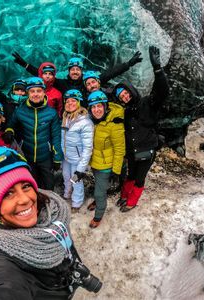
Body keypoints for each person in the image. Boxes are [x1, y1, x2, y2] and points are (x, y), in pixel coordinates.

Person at [0, 146, 102, 299]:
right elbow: (0, 288)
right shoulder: (0, 261)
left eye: (26, 186)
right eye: (8, 194)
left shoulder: (51, 211)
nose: (24, 199)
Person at [113, 46, 169, 212]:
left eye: (125, 93)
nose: (124, 96)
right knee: (130, 174)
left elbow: (162, 92)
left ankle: (131, 201)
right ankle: (124, 195)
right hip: (132, 151)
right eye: (121, 96)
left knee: (139, 178)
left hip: (146, 149)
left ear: (131, 90)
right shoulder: (125, 111)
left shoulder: (147, 103)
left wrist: (157, 69)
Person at [7, 77, 63, 190]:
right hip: (27, 155)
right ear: (28, 93)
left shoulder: (51, 113)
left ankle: (49, 204)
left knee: (49, 184)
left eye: (39, 91)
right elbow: (11, 125)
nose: (35, 94)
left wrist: (57, 157)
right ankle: (37, 205)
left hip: (45, 157)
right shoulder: (20, 111)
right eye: (32, 91)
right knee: (32, 184)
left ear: (44, 92)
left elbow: (56, 136)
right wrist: (9, 131)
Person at [12, 51, 143, 99]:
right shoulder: (62, 84)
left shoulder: (89, 81)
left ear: (81, 71)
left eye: (77, 69)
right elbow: (44, 75)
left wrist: (129, 64)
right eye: (72, 69)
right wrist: (24, 64)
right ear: (68, 71)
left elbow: (110, 73)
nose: (75, 71)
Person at [87, 91, 125, 228]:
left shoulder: (114, 124)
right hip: (96, 163)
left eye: (99, 106)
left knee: (99, 192)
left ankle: (98, 216)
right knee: (98, 185)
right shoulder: (92, 122)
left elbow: (120, 149)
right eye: (93, 107)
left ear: (105, 106)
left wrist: (116, 171)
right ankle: (97, 202)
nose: (97, 110)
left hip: (106, 166)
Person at [61, 89, 94, 213]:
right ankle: (67, 193)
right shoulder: (66, 117)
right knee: (66, 176)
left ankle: (77, 202)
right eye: (67, 101)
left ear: (79, 103)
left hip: (77, 158)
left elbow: (88, 147)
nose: (70, 103)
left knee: (76, 180)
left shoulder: (85, 122)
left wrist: (81, 168)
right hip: (66, 156)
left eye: (73, 101)